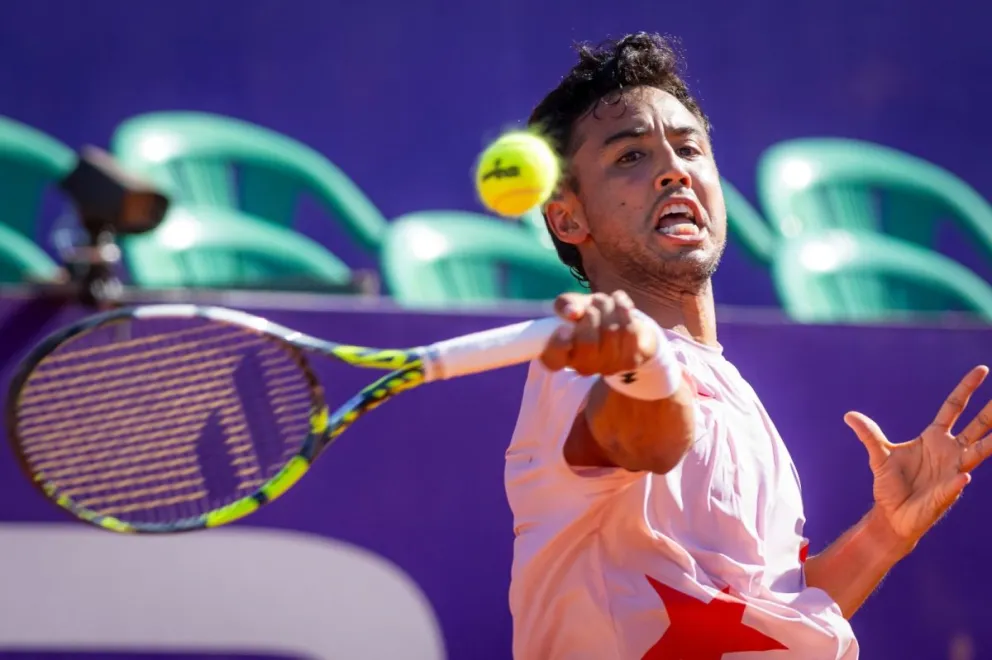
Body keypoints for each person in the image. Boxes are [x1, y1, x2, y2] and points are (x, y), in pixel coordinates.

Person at [504, 32, 992, 659]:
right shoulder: (583, 369)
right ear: (569, 218)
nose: (674, 170)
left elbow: (770, 621)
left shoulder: (733, 391)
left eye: (688, 148)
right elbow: (631, 433)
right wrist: (638, 375)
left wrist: (884, 536)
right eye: (630, 157)